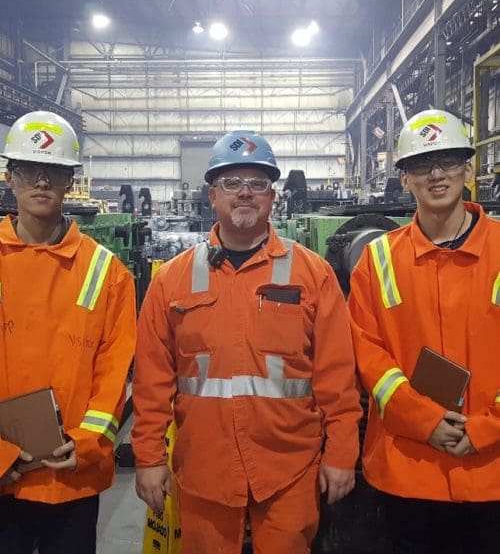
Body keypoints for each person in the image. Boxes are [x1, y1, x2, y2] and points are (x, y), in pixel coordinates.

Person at [132, 129, 361, 554]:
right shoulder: (171, 280)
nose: (244, 193)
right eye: (231, 182)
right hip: (205, 469)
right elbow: (151, 379)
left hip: (290, 469)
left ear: (272, 196)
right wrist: (147, 457)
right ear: (212, 195)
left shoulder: (312, 275)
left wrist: (342, 453)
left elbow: (336, 377)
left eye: (257, 183)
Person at [348, 109, 500, 554]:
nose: (437, 175)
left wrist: (488, 428)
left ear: (468, 170)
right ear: (403, 179)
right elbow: (366, 354)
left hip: (491, 467)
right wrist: (424, 420)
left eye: (450, 161)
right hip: (408, 467)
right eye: (421, 165)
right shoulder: (377, 261)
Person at [0, 111, 136, 554]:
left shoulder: (107, 271)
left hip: (73, 473)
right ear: (10, 177)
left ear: (69, 180)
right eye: (28, 170)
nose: (41, 182)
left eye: (54, 171)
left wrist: (88, 444)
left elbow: (115, 370)